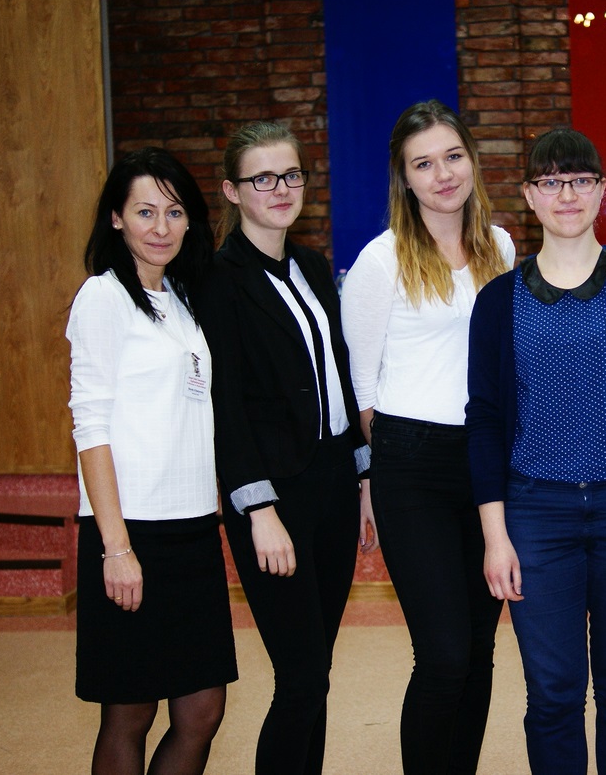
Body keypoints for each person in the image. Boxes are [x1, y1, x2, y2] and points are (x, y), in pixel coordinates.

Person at [466, 128, 606, 775]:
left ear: (602, 190)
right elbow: (484, 422)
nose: (565, 194)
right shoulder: (497, 302)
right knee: (552, 694)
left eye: (580, 180)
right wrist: (495, 537)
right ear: (528, 196)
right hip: (536, 513)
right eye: (549, 181)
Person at [341, 100, 516, 774]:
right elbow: (362, 389)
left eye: (452, 157)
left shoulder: (499, 247)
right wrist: (373, 477)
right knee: (443, 656)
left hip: (487, 463)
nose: (442, 175)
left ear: (471, 159)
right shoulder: (381, 260)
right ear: (404, 177)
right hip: (412, 466)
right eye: (424, 164)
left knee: (479, 651)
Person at [196, 121, 375, 775]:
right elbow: (225, 404)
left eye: (291, 175)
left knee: (316, 673)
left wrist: (363, 476)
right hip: (274, 498)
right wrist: (258, 508)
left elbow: (339, 374)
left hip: (332, 484)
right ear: (232, 191)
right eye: (262, 178)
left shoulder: (313, 265)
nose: (280, 188)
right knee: (299, 677)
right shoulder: (217, 279)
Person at [67, 147, 235, 774]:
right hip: (130, 531)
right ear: (116, 218)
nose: (161, 227)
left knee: (202, 711)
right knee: (130, 713)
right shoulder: (103, 297)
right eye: (145, 212)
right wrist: (116, 548)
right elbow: (91, 426)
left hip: (193, 528)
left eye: (174, 211)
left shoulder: (183, 298)